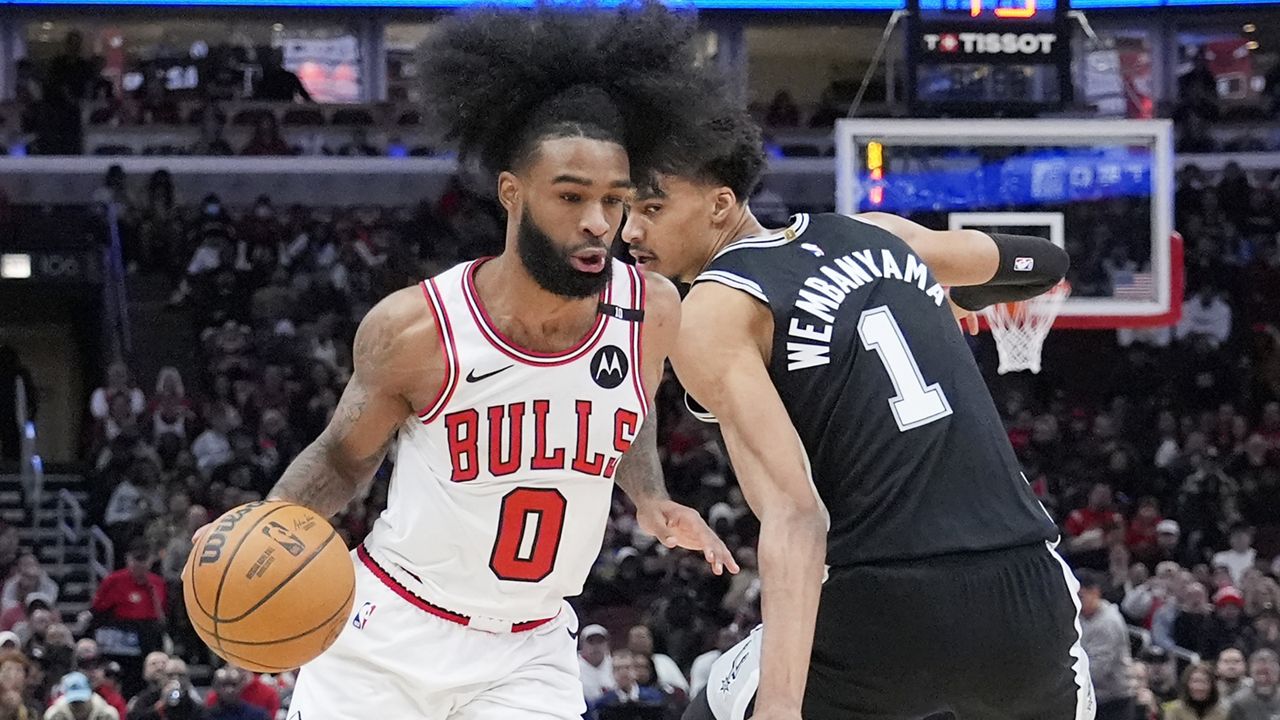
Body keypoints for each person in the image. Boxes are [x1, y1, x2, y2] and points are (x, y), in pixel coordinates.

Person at [200, 6, 734, 719]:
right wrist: (261, 535)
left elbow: (628, 409)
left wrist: (649, 497)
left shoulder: (652, 309)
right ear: (512, 193)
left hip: (530, 649)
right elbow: (342, 460)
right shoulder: (418, 329)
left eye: (614, 200)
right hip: (389, 636)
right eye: (571, 196)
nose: (598, 222)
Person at [622, 105, 1087, 718]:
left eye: (651, 210)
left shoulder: (713, 311)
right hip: (1028, 600)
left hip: (884, 607)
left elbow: (794, 512)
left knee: (714, 701)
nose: (629, 231)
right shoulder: (880, 233)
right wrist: (957, 288)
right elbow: (1046, 265)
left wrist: (782, 706)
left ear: (719, 204)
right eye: (627, 210)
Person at [86, 540, 165, 698]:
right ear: (128, 559)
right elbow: (98, 609)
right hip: (118, 639)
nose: (140, 564)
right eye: (136, 559)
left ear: (150, 561)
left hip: (147, 637)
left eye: (144, 560)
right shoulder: (114, 580)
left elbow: (161, 613)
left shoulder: (157, 583)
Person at [1077, 570, 1136, 719]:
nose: (1075, 601)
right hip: (1092, 697)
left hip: (1114, 701)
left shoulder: (1108, 621)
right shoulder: (1078, 617)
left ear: (1095, 592)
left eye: (1080, 596)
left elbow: (1098, 668)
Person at [591, 650, 665, 720]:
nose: (623, 672)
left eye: (627, 667)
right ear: (612, 673)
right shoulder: (603, 702)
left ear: (635, 671)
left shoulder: (653, 697)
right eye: (618, 668)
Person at [1227, 649, 1280, 719]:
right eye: (1260, 673)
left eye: (1268, 672)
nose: (1264, 679)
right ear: (1250, 672)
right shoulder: (1239, 701)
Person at [1165, 663, 1229, 720]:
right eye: (1195, 681)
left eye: (1204, 682)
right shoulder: (1174, 710)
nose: (1199, 687)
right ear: (1187, 684)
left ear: (1212, 686)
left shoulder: (1223, 713)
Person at [43, 672, 119, 720]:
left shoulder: (107, 715)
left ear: (90, 694)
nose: (78, 705)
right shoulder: (55, 715)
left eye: (81, 701)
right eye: (74, 702)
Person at [580, 625, 616, 704]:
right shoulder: (573, 666)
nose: (596, 646)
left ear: (607, 644)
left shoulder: (615, 665)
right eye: (591, 641)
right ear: (582, 645)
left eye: (600, 641)